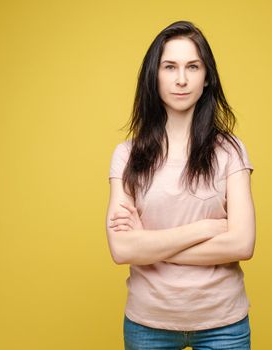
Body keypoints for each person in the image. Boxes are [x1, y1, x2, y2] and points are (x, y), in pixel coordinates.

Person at [106, 20, 256, 350]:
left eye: (193, 66)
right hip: (148, 323)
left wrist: (149, 244)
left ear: (206, 78)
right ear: (154, 77)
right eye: (169, 66)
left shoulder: (230, 151)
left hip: (224, 324)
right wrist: (207, 227)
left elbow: (242, 245)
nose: (182, 79)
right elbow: (122, 249)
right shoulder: (126, 156)